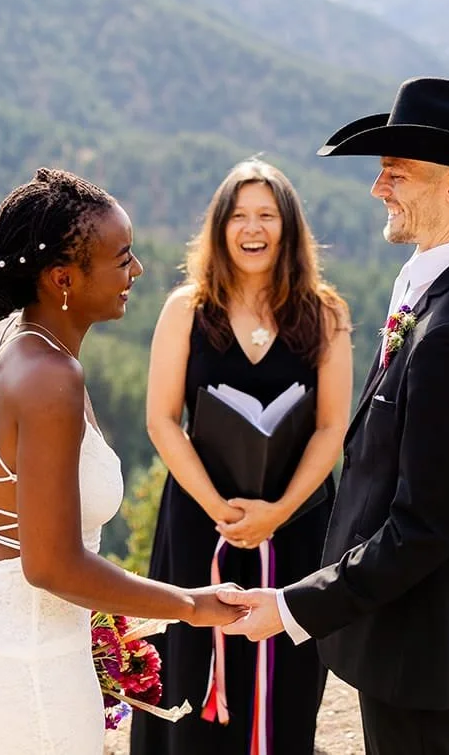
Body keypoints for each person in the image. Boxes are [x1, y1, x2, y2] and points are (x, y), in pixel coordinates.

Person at [219, 78, 449, 755]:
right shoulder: (437, 296)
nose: (378, 187)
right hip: (397, 637)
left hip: (421, 651)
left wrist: (291, 605)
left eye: (395, 173)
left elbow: (422, 528)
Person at [0, 167, 242, 755]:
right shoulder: (50, 376)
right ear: (62, 278)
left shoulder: (12, 339)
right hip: (22, 646)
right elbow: (51, 567)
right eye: (122, 258)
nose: (137, 271)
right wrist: (190, 606)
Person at [130, 159, 354, 755]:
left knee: (290, 675)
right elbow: (162, 420)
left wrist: (276, 513)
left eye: (266, 215)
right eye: (238, 216)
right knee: (188, 668)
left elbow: (332, 427)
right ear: (219, 227)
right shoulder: (186, 309)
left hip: (297, 524)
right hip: (199, 521)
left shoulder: (325, 313)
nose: (252, 229)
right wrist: (220, 512)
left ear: (288, 229)